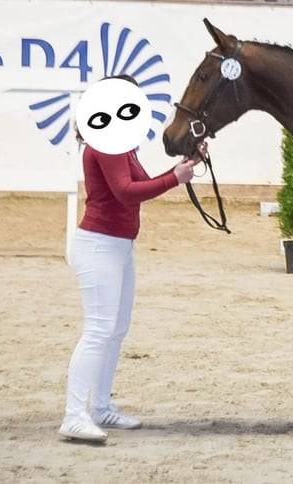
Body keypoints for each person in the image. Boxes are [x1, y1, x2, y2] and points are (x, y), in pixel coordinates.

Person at [57, 122, 206, 442]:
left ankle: (100, 407)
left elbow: (143, 185)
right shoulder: (106, 145)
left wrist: (183, 168)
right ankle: (73, 415)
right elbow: (125, 192)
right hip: (100, 245)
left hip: (119, 245)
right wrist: (174, 179)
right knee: (98, 329)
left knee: (116, 329)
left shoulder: (122, 146)